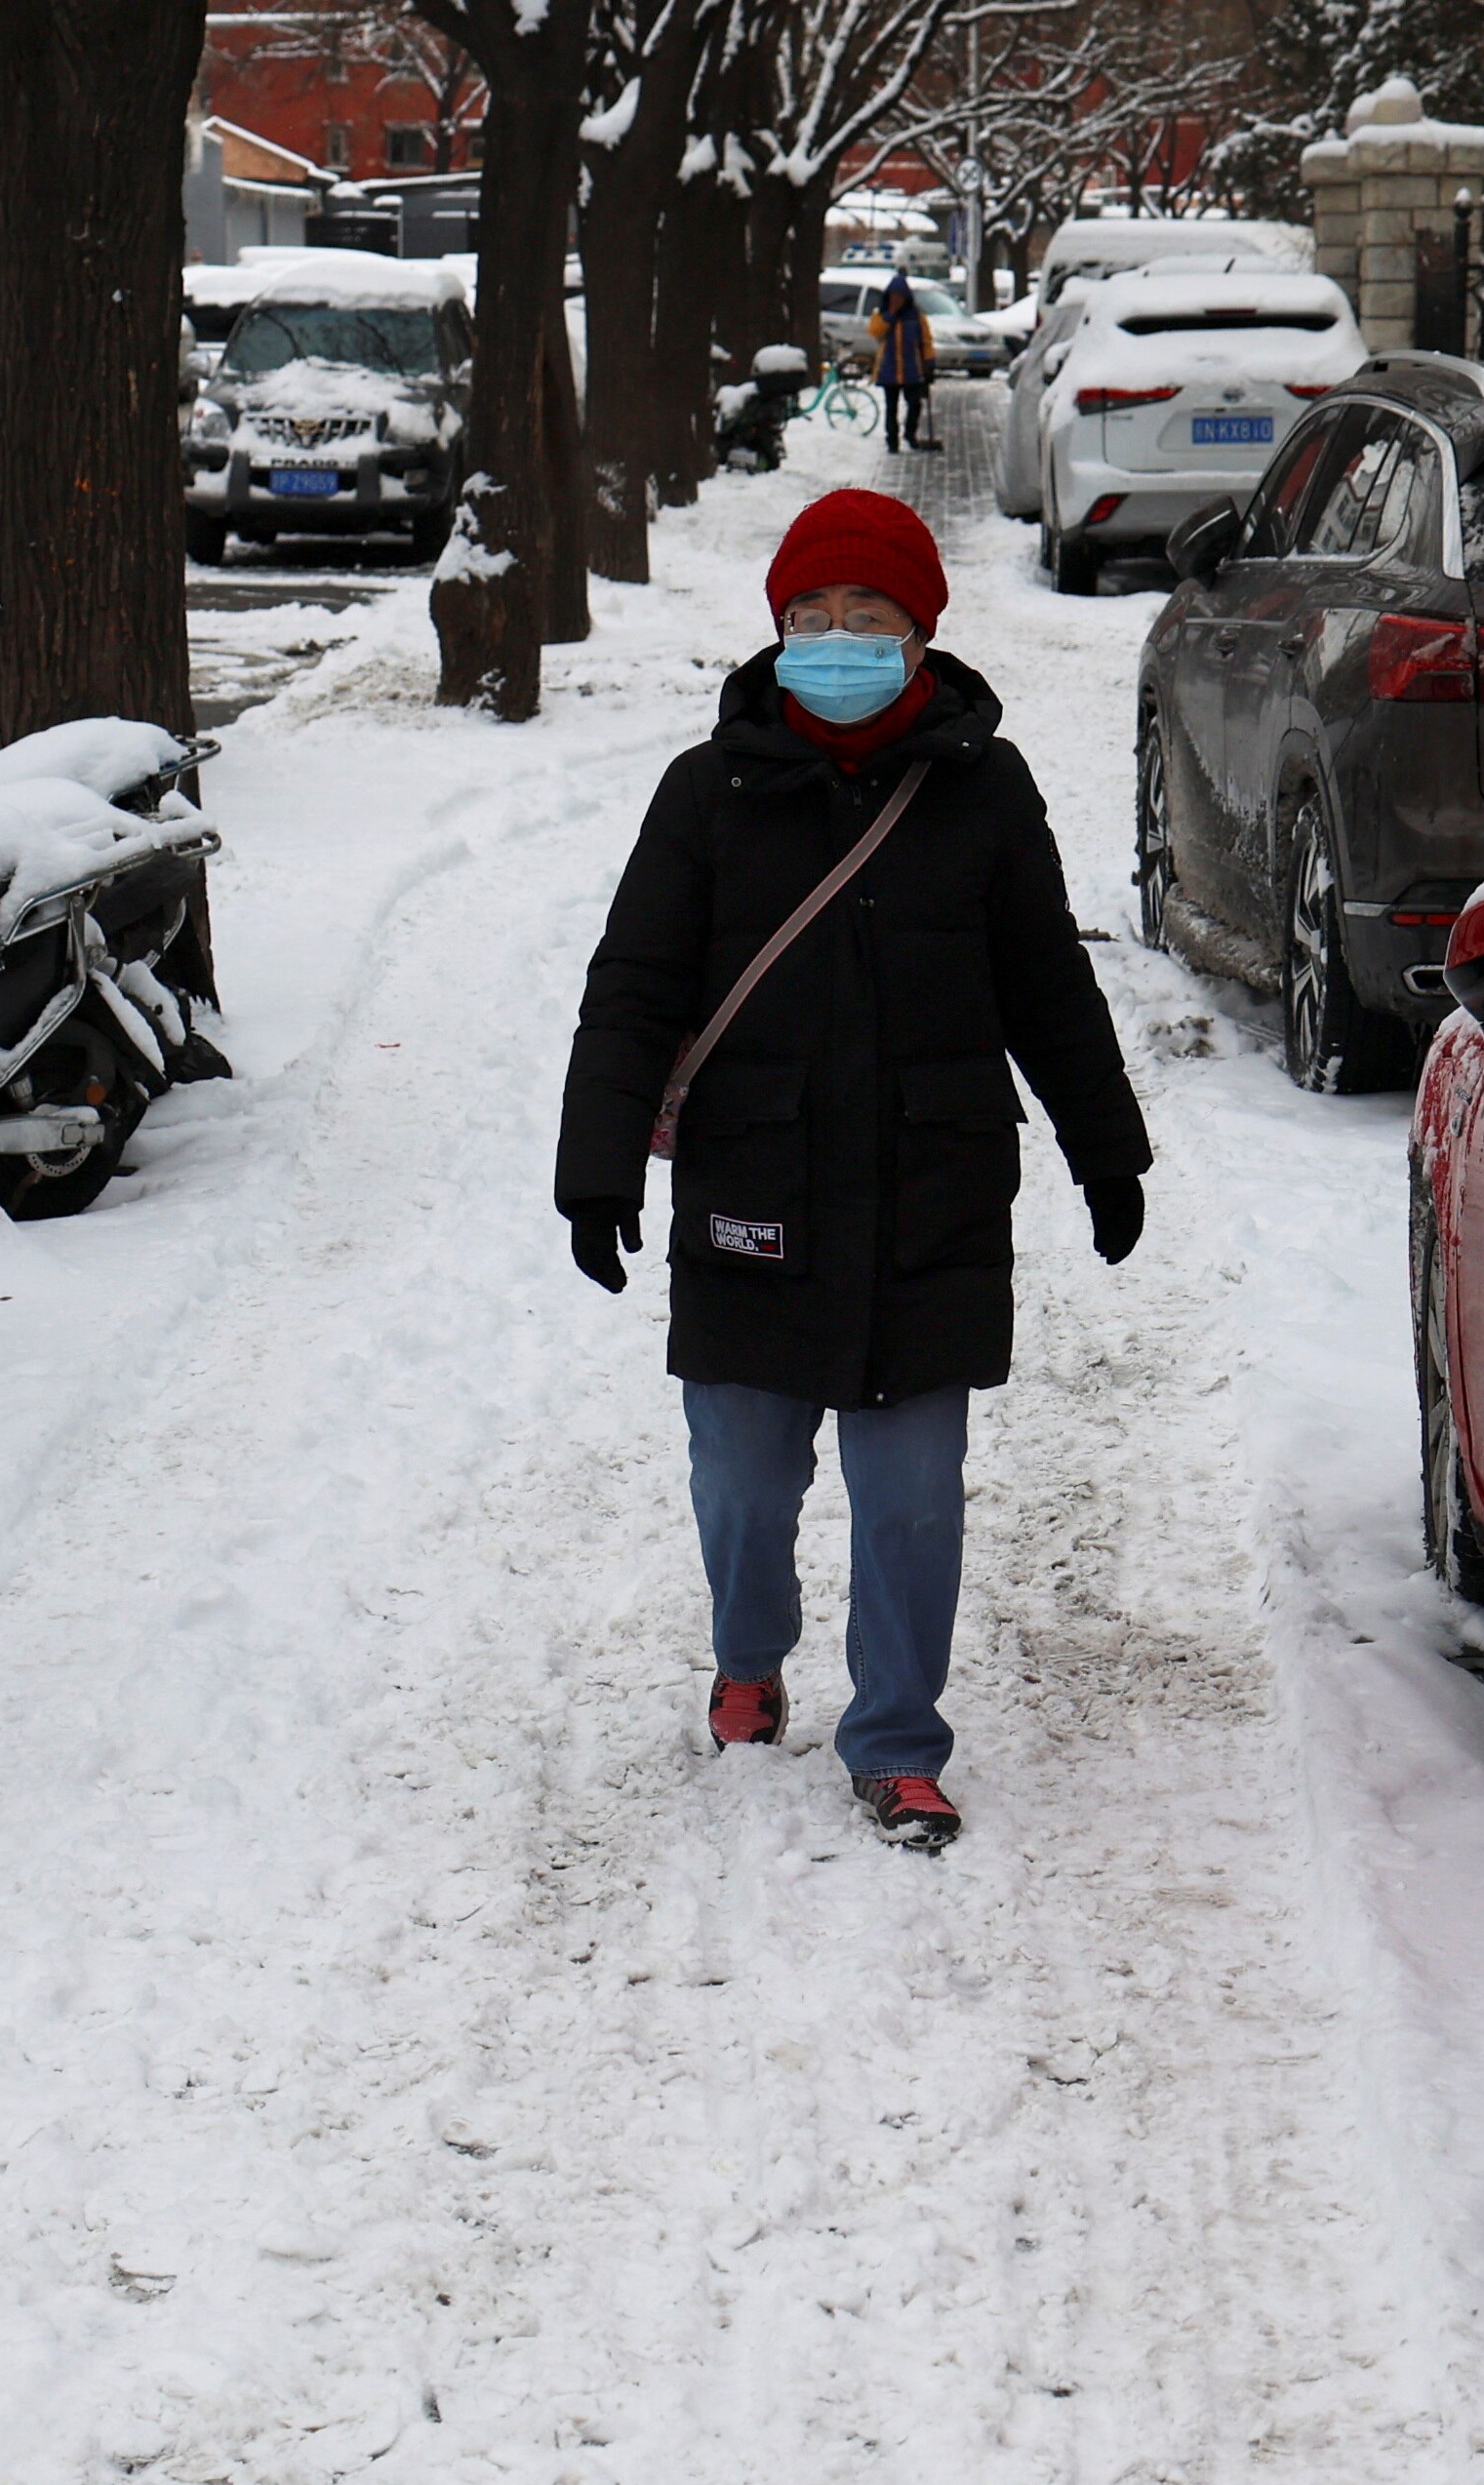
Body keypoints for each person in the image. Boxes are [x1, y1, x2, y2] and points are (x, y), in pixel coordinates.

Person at [557, 489, 1149, 1852]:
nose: (834, 640)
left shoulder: (981, 789)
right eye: (809, 619)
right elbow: (636, 987)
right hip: (751, 1195)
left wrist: (1105, 1154)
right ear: (775, 634)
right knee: (746, 1488)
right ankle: (750, 1656)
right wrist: (598, 1171)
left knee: (909, 1501)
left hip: (927, 1201)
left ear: (921, 638)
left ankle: (894, 1741)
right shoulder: (708, 792)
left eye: (865, 619)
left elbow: (1045, 985)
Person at [864, 270, 934, 453]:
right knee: (891, 408)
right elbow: (874, 331)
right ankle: (892, 440)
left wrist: (929, 363)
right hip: (889, 369)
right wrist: (890, 315)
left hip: (912, 369)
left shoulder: (917, 317)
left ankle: (910, 434)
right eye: (893, 296)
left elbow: (925, 342)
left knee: (914, 404)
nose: (896, 300)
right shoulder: (881, 315)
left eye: (900, 297)